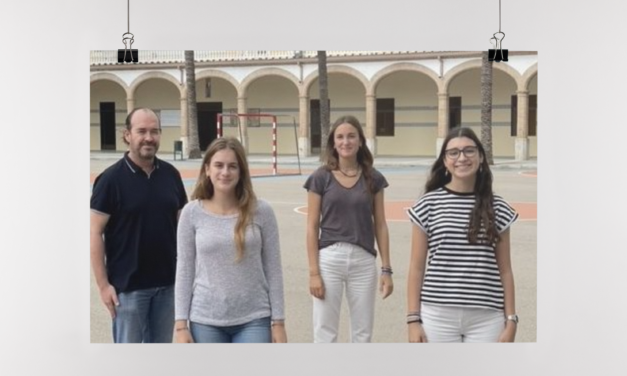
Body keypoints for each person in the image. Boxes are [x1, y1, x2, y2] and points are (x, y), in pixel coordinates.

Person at [406, 126, 519, 343]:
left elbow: (505, 269)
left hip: (487, 317)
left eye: (469, 150)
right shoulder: (427, 204)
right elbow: (416, 267)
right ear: (445, 161)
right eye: (454, 152)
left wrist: (511, 319)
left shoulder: (499, 207)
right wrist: (413, 320)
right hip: (437, 315)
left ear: (481, 157)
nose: (462, 158)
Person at [174, 137, 287, 343]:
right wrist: (180, 325)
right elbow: (184, 269)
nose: (225, 172)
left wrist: (278, 322)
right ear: (207, 169)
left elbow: (273, 269)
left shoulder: (262, 212)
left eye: (232, 166)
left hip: (254, 318)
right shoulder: (191, 213)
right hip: (205, 320)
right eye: (219, 165)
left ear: (241, 171)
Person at [90, 107, 188, 343]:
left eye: (154, 131)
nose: (148, 137)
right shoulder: (110, 180)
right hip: (128, 290)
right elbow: (94, 233)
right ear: (127, 135)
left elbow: (184, 227)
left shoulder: (171, 175)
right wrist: (104, 286)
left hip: (167, 286)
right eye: (141, 131)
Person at [304, 115, 394, 343]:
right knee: (325, 332)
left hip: (363, 260)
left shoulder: (373, 178)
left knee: (362, 334)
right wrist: (314, 272)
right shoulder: (320, 178)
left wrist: (386, 269)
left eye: (351, 136)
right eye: (340, 137)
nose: (346, 142)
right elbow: (312, 226)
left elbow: (381, 225)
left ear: (361, 141)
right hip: (329, 260)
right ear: (333, 143)